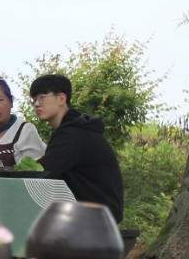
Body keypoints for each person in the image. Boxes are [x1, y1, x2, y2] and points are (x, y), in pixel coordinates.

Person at [30, 74, 124, 223]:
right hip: (94, 213)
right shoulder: (74, 129)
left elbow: (44, 172)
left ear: (61, 99)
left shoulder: (73, 134)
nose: (36, 104)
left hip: (96, 219)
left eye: (42, 97)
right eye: (34, 99)